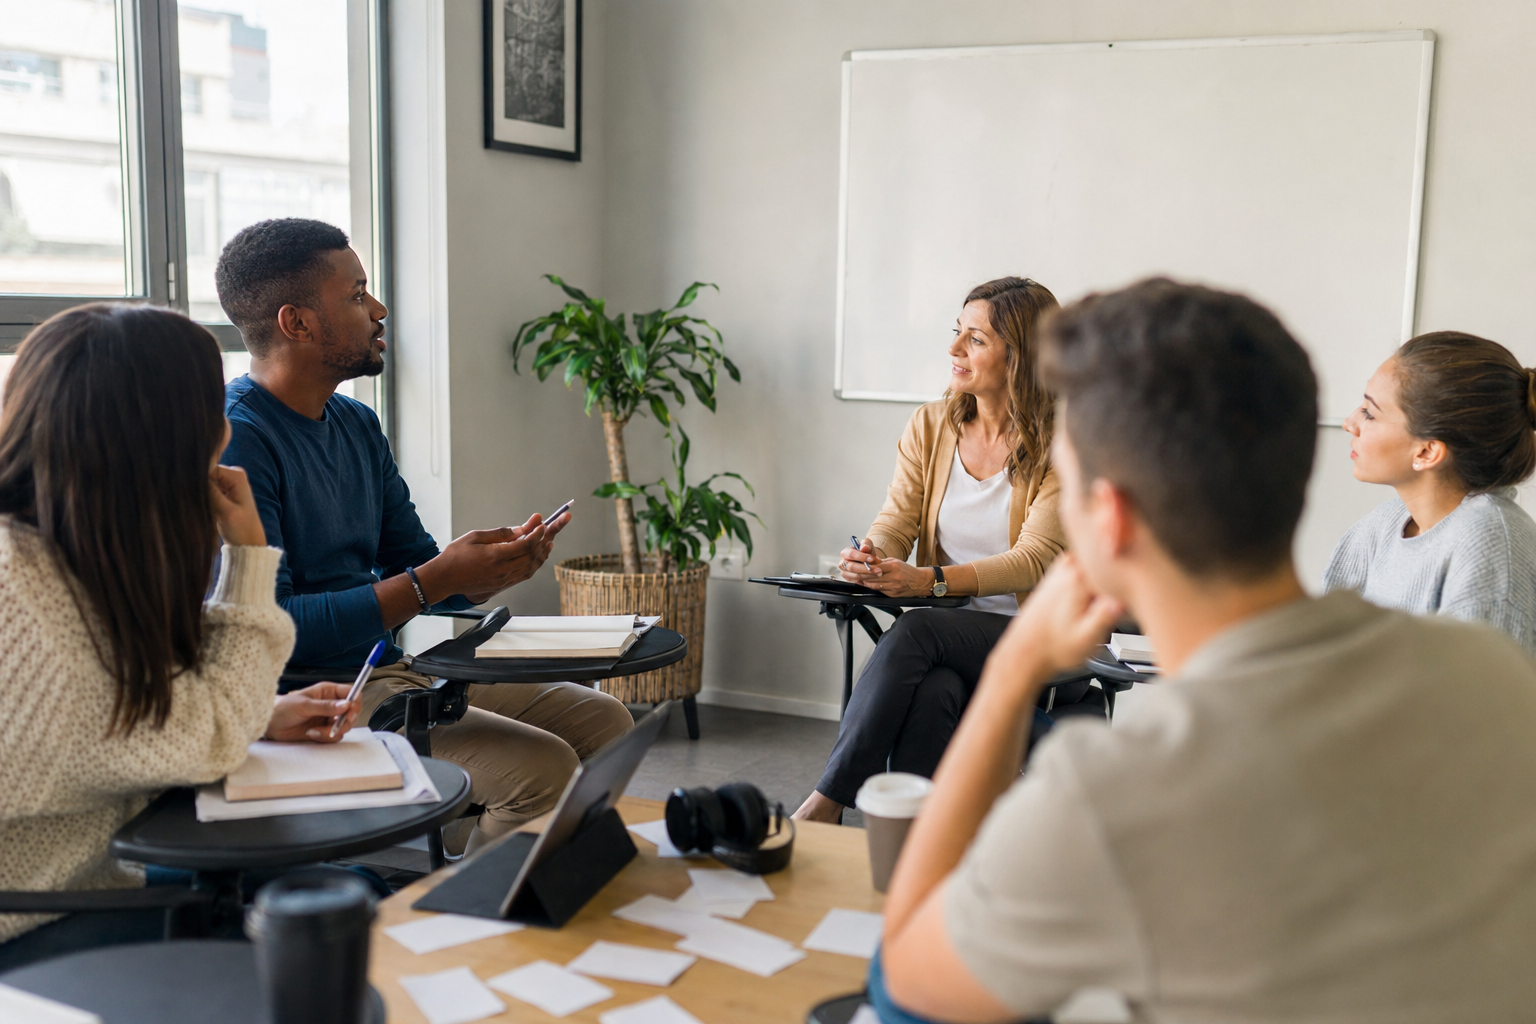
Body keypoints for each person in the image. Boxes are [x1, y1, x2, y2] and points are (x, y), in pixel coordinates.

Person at [873, 279, 1536, 1023]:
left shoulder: (1107, 792)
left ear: (1110, 519)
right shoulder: (1495, 679)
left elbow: (909, 976)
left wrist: (1011, 675)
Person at [214, 218, 632, 856]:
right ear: (296, 322)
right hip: (311, 697)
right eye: (356, 295)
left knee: (607, 720)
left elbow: (415, 564)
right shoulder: (237, 438)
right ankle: (467, 918)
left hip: (388, 668)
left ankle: (502, 865)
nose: (378, 310)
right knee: (540, 771)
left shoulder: (355, 423)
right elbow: (277, 625)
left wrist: (486, 571)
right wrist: (434, 581)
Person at [0, 304, 364, 970]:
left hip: (77, 884)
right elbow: (208, 739)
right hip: (36, 925)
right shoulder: (30, 616)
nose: (223, 432)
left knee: (335, 892)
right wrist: (250, 558)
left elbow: (132, 720)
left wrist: (256, 718)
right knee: (335, 918)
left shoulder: (45, 554)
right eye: (210, 417)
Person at [795, 277, 1071, 824]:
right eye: (956, 333)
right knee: (934, 692)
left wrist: (929, 582)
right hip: (949, 642)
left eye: (975, 339)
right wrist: (872, 554)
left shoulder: (1066, 443)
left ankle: (824, 805)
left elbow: (1034, 559)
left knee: (916, 629)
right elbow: (898, 518)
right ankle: (908, 845)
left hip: (1035, 638)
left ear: (1021, 357)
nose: (953, 350)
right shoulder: (932, 423)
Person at [1325, 331, 1536, 657]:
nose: (1350, 423)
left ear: (1427, 452)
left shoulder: (1490, 546)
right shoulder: (1380, 527)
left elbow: (1479, 702)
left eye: (1370, 412)